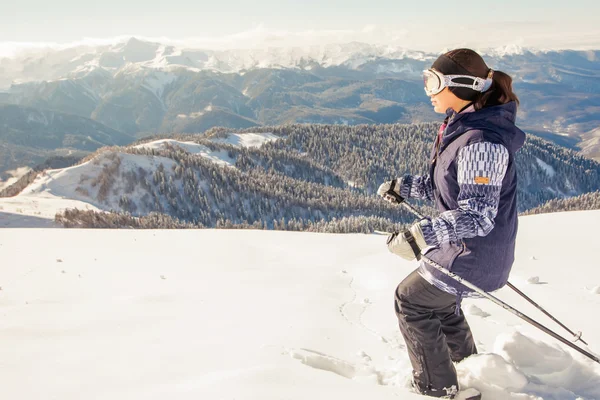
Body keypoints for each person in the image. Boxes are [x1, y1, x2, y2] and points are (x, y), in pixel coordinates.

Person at [377, 48, 525, 399]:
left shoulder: (482, 142)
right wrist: (404, 187)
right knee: (437, 303)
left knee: (410, 299)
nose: (427, 91)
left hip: (475, 256)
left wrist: (419, 236)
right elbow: (443, 185)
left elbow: (478, 215)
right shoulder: (464, 127)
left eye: (433, 82)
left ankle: (436, 388)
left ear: (461, 85)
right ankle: (468, 368)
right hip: (468, 251)